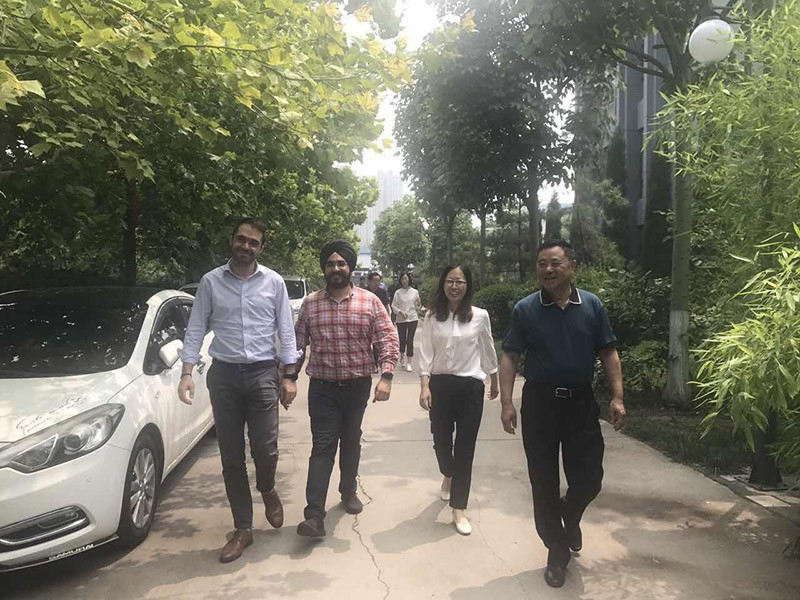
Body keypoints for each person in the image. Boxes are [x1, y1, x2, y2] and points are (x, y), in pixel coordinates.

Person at [499, 239, 625, 588]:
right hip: (540, 403)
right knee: (543, 480)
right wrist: (507, 403)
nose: (548, 269)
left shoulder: (592, 305)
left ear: (572, 266)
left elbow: (608, 352)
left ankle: (569, 512)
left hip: (580, 403)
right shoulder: (526, 309)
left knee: (590, 478)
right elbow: (510, 356)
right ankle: (557, 550)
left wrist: (618, 397)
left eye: (555, 263)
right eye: (542, 263)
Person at [178, 218, 300, 563]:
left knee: (265, 448)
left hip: (263, 374)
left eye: (253, 242)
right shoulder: (211, 282)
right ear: (232, 240)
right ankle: (243, 528)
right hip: (225, 377)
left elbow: (286, 330)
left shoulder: (274, 282)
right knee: (231, 456)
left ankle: (268, 488)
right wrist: (186, 372)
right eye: (241, 239)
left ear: (261, 248)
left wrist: (289, 375)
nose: (246, 246)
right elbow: (196, 328)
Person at [294, 240, 399, 537]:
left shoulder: (369, 301)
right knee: (323, 445)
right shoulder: (311, 303)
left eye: (341, 263)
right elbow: (298, 344)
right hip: (322, 387)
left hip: (356, 387)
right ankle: (314, 515)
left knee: (351, 439)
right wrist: (288, 377)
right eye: (330, 264)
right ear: (324, 269)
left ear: (350, 268)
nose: (336, 268)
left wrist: (387, 376)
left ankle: (348, 490)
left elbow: (387, 339)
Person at [418, 265, 499, 536]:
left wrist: (494, 379)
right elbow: (426, 352)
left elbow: (487, 347)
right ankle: (448, 473)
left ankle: (459, 507)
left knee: (465, 448)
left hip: (470, 388)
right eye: (450, 281)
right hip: (440, 387)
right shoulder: (432, 316)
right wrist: (424, 385)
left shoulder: (480, 316)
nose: (455, 286)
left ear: (468, 286)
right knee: (441, 442)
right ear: (443, 284)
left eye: (460, 282)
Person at [391, 272, 422, 372]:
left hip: (412, 318)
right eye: (402, 279)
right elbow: (393, 306)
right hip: (401, 319)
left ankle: (409, 362)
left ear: (409, 279)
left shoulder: (415, 292)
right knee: (402, 339)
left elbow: (418, 307)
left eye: (406, 279)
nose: (404, 281)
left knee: (410, 340)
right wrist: (400, 312)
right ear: (400, 280)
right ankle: (402, 356)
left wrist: (419, 305)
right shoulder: (398, 293)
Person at [368, 271, 391, 371]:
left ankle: (376, 364)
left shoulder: (382, 292)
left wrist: (388, 319)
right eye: (375, 281)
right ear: (369, 281)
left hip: (378, 321)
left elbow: (386, 306)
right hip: (366, 320)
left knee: (376, 344)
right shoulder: (364, 292)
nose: (377, 283)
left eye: (378, 281)